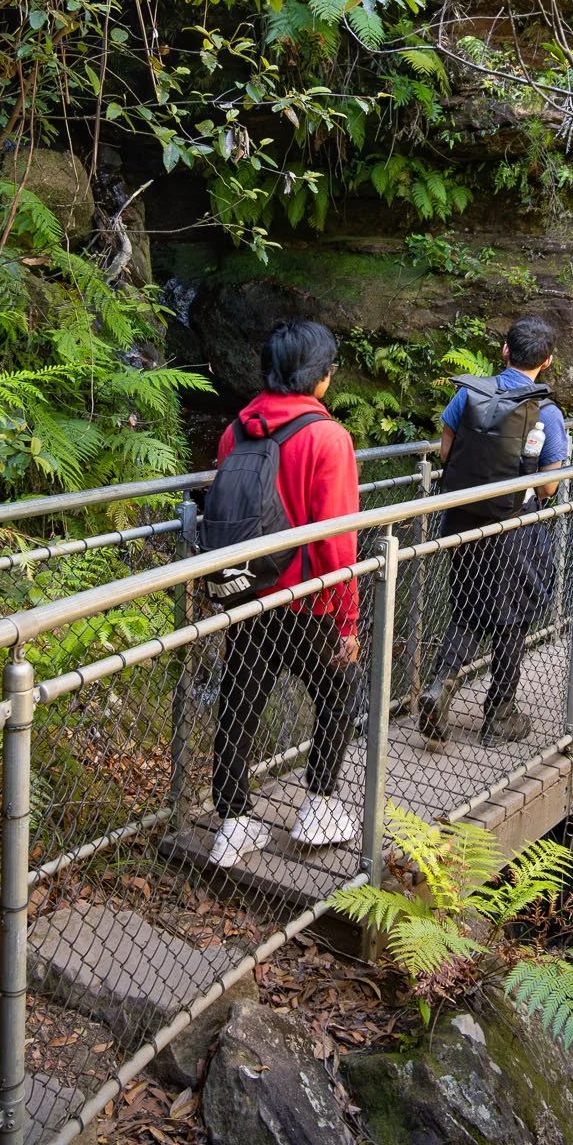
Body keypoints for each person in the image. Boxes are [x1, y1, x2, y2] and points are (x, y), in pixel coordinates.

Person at [209, 319, 362, 870]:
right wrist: (347, 620)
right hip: (306, 599)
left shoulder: (237, 431)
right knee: (340, 690)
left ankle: (233, 821)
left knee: (240, 701)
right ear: (320, 376)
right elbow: (337, 540)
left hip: (247, 594)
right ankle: (319, 805)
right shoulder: (328, 438)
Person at [418, 315, 568, 747]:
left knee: (468, 608)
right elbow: (548, 485)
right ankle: (499, 713)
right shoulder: (546, 411)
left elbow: (447, 452)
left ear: (504, 351)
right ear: (547, 361)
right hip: (514, 529)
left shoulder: (469, 393)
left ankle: (439, 686)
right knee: (514, 616)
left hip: (463, 522)